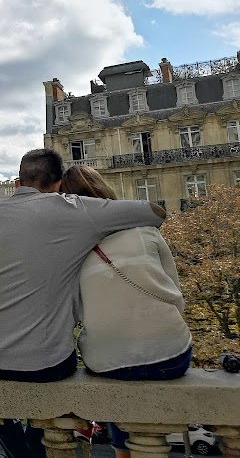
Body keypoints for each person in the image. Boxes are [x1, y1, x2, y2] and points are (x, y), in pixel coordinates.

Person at [0, 149, 166, 458]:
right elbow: (155, 211)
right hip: (47, 363)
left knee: (0, 413)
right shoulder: (76, 210)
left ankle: (20, 450)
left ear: (18, 182)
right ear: (58, 185)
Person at [60, 165, 191, 458]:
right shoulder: (146, 232)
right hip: (171, 356)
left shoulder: (71, 252)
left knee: (115, 362)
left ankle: (121, 450)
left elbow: (76, 311)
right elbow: (175, 292)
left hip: (107, 362)